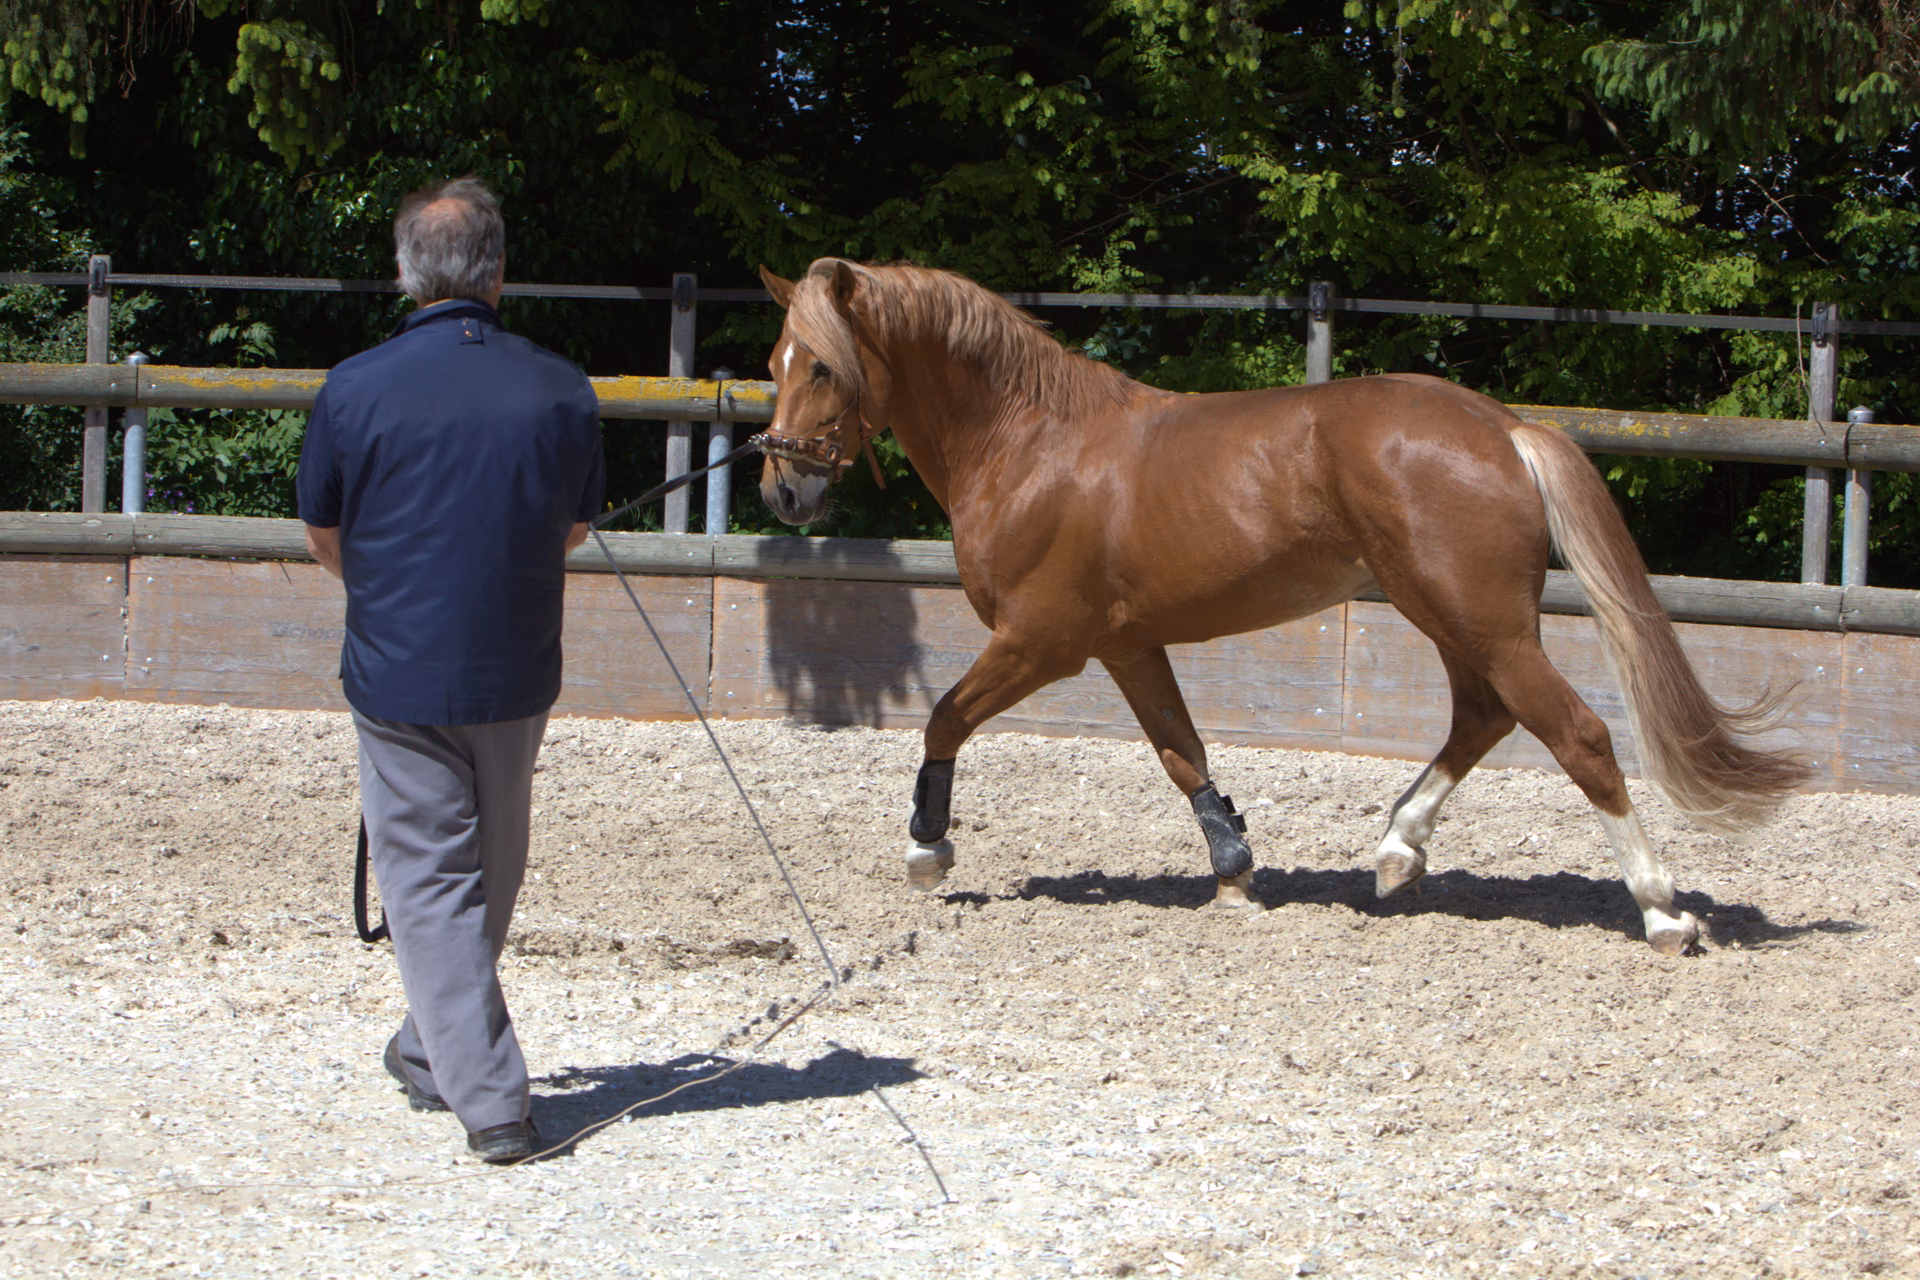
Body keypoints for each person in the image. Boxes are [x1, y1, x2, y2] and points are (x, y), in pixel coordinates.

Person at [297, 176, 605, 1164]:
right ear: (499, 272)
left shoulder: (352, 385)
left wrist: (389, 590)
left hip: (399, 670)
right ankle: (461, 1068)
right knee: (490, 866)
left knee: (436, 881)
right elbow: (576, 527)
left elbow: (322, 530)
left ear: (405, 273)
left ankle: (471, 1083)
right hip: (515, 664)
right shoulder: (561, 385)